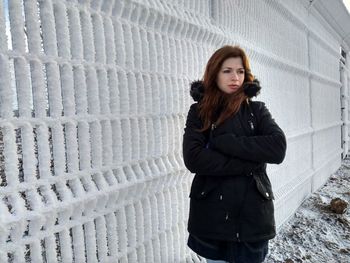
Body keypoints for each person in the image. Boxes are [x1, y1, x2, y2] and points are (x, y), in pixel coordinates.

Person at [182, 45, 287, 263]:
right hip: (213, 216)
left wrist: (226, 143)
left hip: (253, 218)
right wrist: (250, 162)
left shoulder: (257, 111)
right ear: (214, 73)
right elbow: (194, 158)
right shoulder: (200, 112)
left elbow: (277, 148)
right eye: (227, 70)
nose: (235, 77)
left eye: (240, 71)